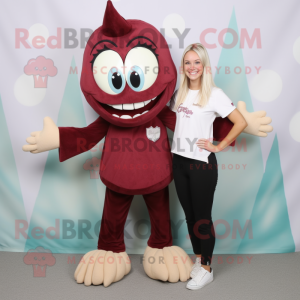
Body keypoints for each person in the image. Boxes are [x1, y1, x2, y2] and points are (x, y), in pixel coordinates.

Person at [168, 43, 248, 290]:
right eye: (188, 62)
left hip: (201, 164)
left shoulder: (214, 93)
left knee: (203, 219)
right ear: (183, 66)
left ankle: (206, 268)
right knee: (190, 216)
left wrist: (219, 145)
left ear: (204, 66)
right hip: (178, 162)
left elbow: (240, 121)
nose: (192, 67)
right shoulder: (178, 94)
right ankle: (198, 258)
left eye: (197, 62)